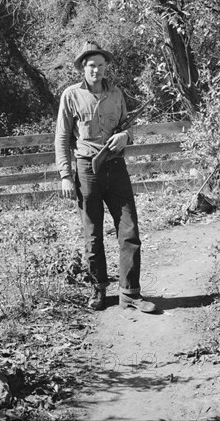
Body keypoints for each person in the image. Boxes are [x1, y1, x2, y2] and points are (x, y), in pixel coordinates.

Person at [55, 40, 156, 313]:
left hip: (116, 167)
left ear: (106, 67)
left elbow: (126, 130)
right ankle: (98, 289)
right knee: (93, 235)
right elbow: (62, 137)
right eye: (91, 66)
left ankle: (130, 294)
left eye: (100, 65)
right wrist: (66, 175)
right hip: (87, 169)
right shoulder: (71, 96)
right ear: (82, 69)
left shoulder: (116, 94)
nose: (96, 70)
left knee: (129, 230)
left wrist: (125, 136)